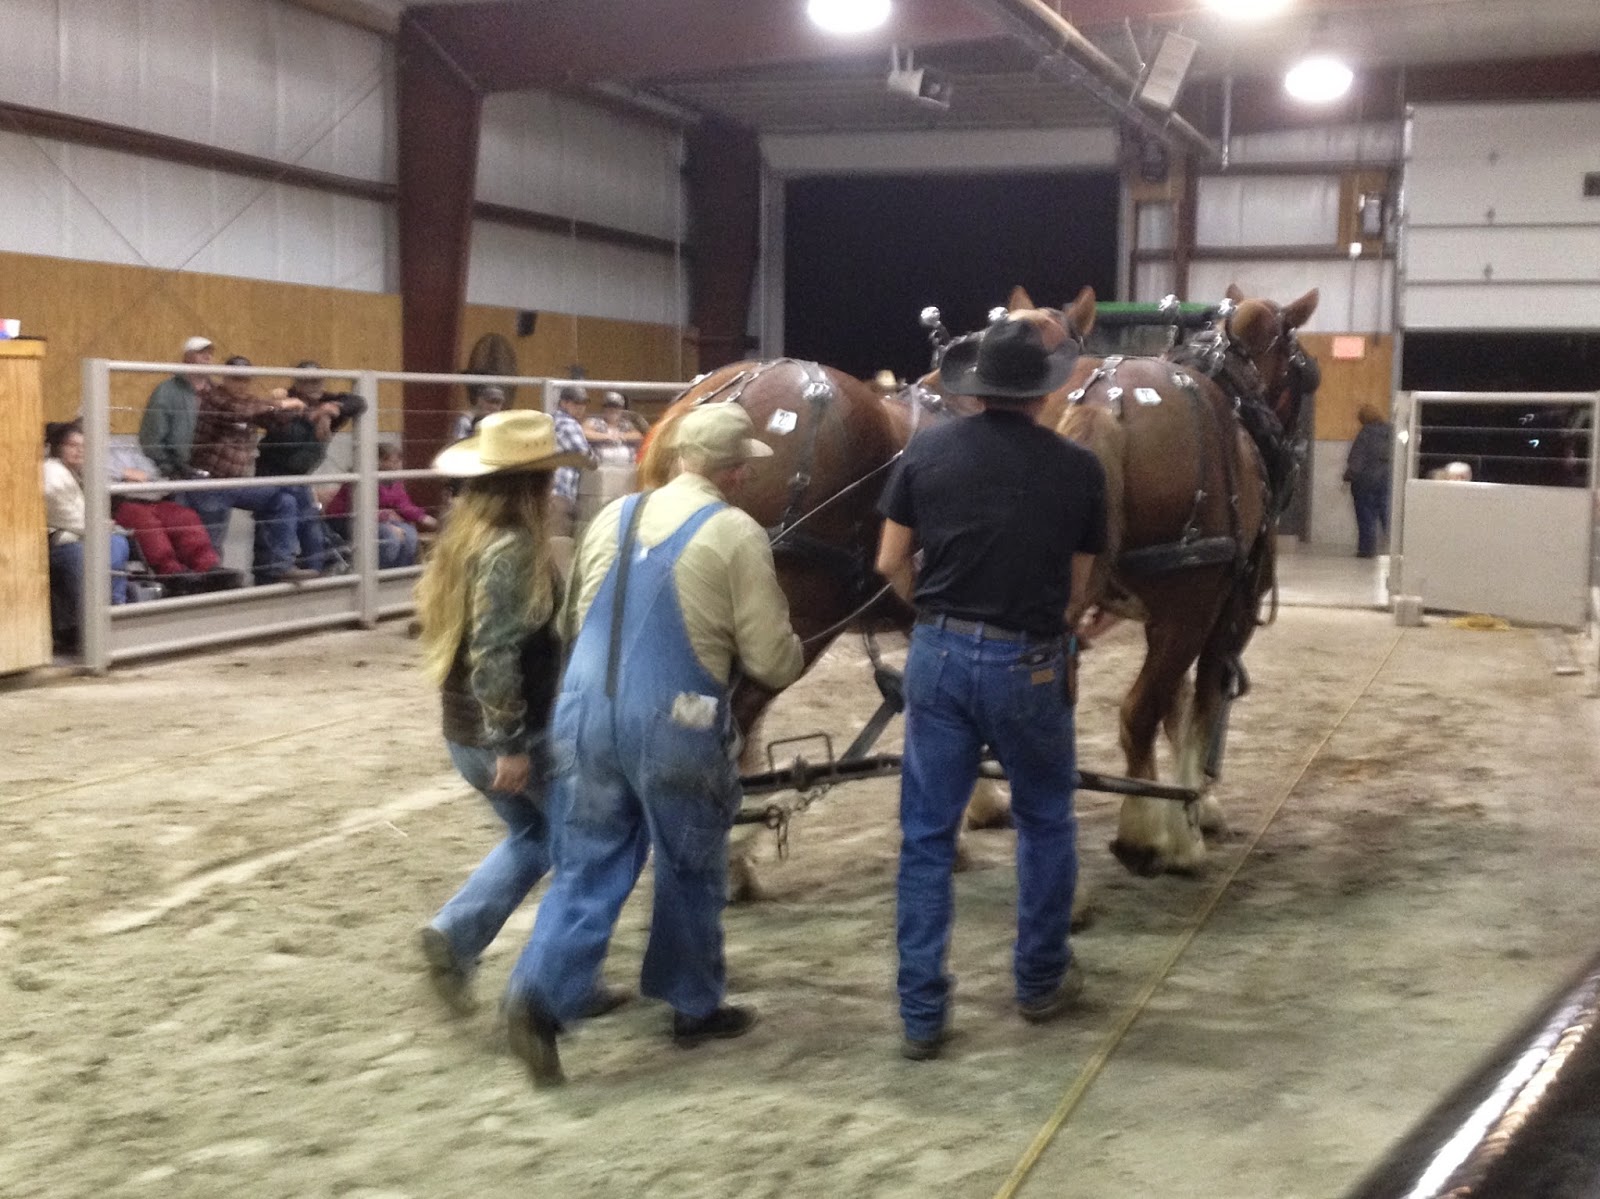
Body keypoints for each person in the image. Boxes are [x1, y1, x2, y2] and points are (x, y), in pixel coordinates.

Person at [505, 402, 804, 1087]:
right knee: (690, 861)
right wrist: (789, 650)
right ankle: (692, 1003)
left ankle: (541, 994)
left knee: (587, 861)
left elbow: (579, 610)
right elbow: (770, 658)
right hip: (677, 719)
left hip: (583, 710)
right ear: (734, 471)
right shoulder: (736, 532)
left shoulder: (614, 516)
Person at [874, 314, 1106, 1062]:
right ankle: (1039, 980)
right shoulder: (1079, 469)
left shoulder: (926, 451)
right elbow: (1076, 593)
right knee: (1045, 819)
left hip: (938, 656)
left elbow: (888, 563)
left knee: (926, 837)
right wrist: (1062, 621)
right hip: (1029, 661)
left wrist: (939, 615)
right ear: (1042, 394)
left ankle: (920, 1012)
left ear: (976, 391)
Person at [411, 410, 611, 1016]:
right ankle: (560, 987)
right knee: (586, 848)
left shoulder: (462, 541)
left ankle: (456, 934)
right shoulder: (513, 550)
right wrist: (511, 743)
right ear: (534, 484)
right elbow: (494, 654)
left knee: (534, 836)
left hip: (460, 728)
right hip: (510, 733)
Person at [187, 356, 314, 584]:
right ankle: (207, 588)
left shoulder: (251, 402)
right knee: (210, 546)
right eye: (236, 378)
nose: (241, 384)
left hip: (236, 482)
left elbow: (275, 420)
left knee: (283, 500)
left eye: (245, 379)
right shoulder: (214, 398)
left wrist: (289, 407)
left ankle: (277, 567)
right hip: (209, 482)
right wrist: (281, 404)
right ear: (224, 378)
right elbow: (240, 411)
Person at [256, 361, 368, 573]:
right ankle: (270, 574)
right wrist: (310, 413)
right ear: (297, 383)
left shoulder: (328, 401)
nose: (314, 386)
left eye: (318, 381)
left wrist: (331, 409)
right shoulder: (284, 398)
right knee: (273, 526)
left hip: (300, 476)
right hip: (272, 473)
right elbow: (263, 413)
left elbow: (358, 402)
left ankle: (315, 568)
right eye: (307, 382)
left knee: (309, 524)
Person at [107, 440, 241, 594]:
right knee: (146, 521)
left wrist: (137, 476)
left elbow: (151, 471)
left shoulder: (123, 447)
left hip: (150, 497)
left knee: (184, 516)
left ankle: (208, 567)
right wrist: (123, 474)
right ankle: (170, 573)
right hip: (119, 503)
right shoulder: (88, 454)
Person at [43, 421, 131, 650]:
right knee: (82, 555)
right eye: (72, 445)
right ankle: (86, 629)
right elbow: (68, 518)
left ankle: (114, 612)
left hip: (80, 537)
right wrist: (99, 525)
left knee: (118, 543)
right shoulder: (52, 473)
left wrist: (100, 526)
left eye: (83, 446)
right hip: (58, 545)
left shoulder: (78, 473)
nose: (79, 450)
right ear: (58, 448)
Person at [324, 441, 438, 567]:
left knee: (410, 535)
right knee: (390, 537)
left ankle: (399, 574)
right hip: (347, 520)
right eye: (393, 462)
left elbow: (402, 503)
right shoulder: (362, 478)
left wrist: (425, 518)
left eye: (399, 461)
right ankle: (377, 573)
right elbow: (363, 508)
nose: (398, 466)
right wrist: (388, 521)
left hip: (378, 518)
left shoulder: (392, 479)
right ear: (379, 461)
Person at [138, 335, 216, 482]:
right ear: (187, 357)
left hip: (211, 470)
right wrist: (168, 466)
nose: (207, 357)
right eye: (201, 352)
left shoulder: (217, 392)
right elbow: (151, 436)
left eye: (210, 353)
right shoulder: (165, 391)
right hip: (175, 471)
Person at [1344, 402, 1393, 558]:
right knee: (1387, 516)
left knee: (1366, 517)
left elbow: (1357, 459)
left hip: (1364, 483)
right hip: (1386, 480)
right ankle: (1395, 549)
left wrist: (1349, 475)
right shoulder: (1391, 432)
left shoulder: (1365, 434)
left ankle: (1367, 550)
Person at [549, 385, 599, 539]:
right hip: (560, 496)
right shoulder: (568, 423)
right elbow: (587, 458)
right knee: (558, 546)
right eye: (575, 403)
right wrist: (595, 455)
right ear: (563, 403)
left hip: (547, 493)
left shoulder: (550, 419)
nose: (580, 408)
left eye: (583, 404)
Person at [583, 391, 648, 463]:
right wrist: (607, 436)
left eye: (616, 407)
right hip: (601, 468)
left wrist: (621, 436)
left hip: (625, 467)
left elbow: (638, 436)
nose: (612, 410)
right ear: (604, 408)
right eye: (609, 406)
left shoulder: (626, 424)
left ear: (621, 409)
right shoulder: (594, 421)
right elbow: (585, 433)